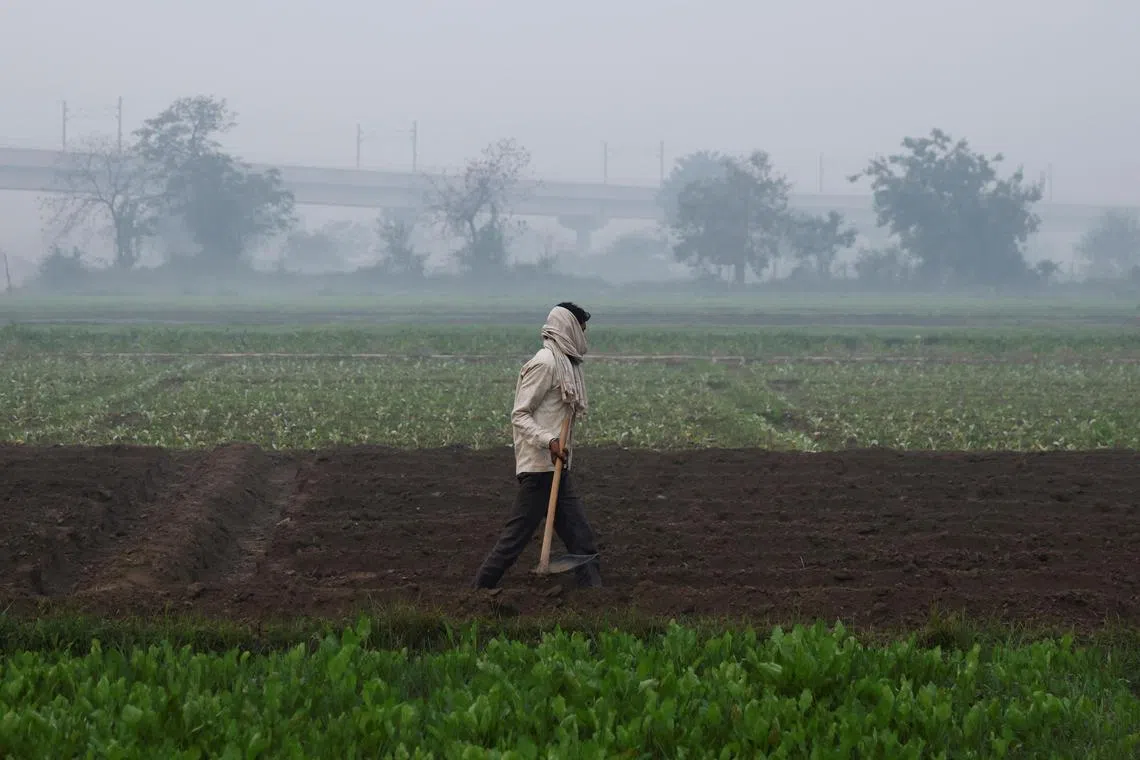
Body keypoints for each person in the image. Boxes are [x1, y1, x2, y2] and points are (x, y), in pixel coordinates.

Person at [472, 302, 602, 590]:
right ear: (568, 329)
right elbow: (520, 414)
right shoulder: (545, 363)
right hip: (539, 468)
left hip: (556, 467)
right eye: (581, 330)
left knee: (581, 538)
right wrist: (551, 440)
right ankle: (479, 591)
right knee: (515, 537)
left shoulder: (566, 366)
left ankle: (595, 597)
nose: (584, 337)